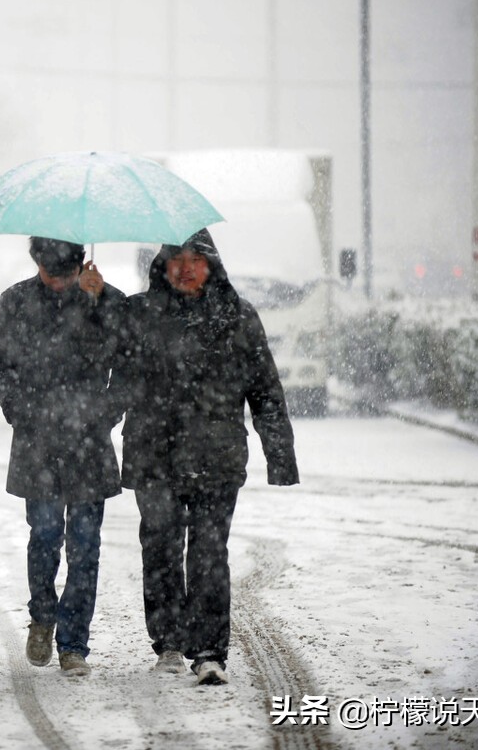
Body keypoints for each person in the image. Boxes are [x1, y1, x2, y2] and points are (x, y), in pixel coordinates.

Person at [109, 229, 299, 686]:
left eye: (196, 258)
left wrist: (280, 456)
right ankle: (169, 642)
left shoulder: (237, 316)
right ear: (162, 265)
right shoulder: (138, 314)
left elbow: (266, 392)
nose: (186, 267)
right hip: (153, 455)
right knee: (160, 549)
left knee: (210, 554)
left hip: (217, 457)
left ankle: (210, 649)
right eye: (176, 257)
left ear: (212, 264)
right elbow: (112, 375)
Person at [0, 236, 125, 677]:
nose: (59, 283)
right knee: (45, 535)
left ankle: (74, 644)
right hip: (39, 442)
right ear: (37, 264)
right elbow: (0, 367)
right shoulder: (15, 301)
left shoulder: (102, 299)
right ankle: (43, 615)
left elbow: (128, 357)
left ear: (80, 263)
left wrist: (104, 414)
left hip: (89, 443)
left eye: (66, 274)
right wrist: (24, 415)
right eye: (51, 275)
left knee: (85, 547)